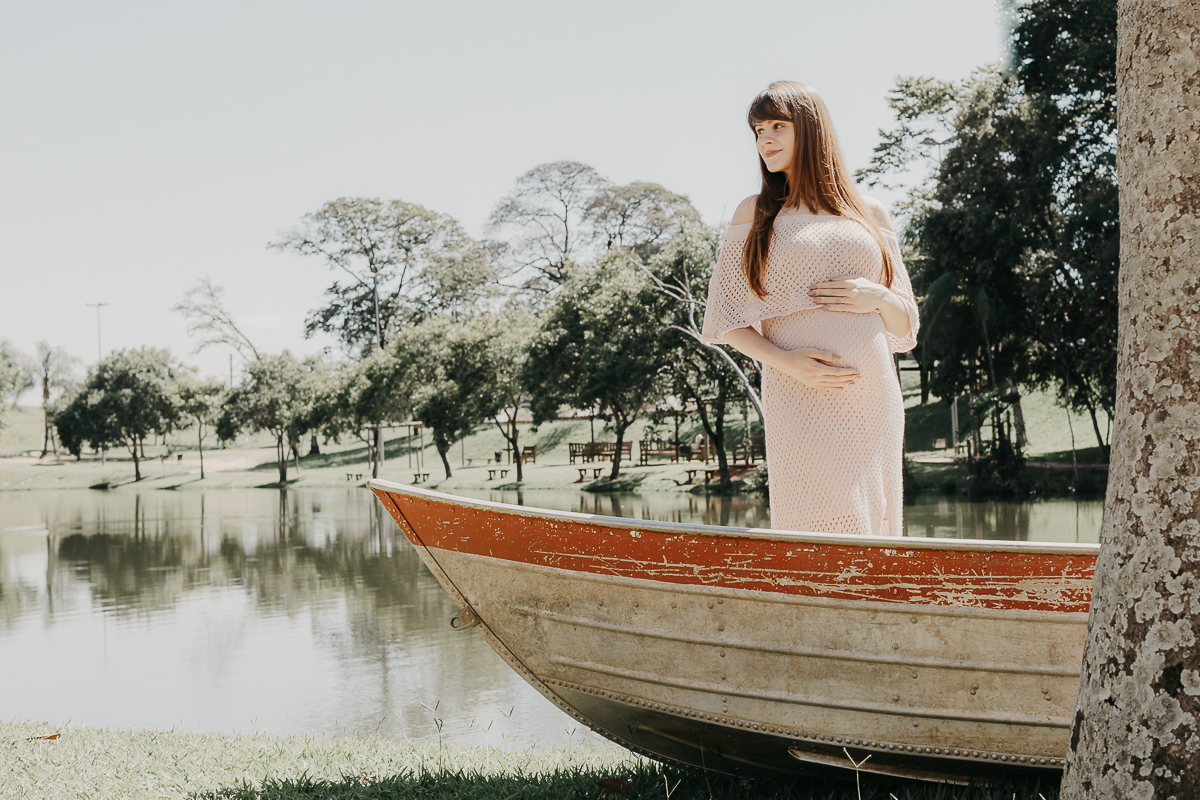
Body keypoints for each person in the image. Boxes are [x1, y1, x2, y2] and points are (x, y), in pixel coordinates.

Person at [701, 81, 919, 536]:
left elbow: (905, 325)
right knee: (814, 524)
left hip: (871, 393)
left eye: (777, 126)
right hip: (796, 391)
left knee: (875, 531)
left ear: (811, 129)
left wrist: (878, 297)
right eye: (758, 130)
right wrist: (786, 363)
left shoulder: (870, 212)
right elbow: (723, 319)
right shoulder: (755, 212)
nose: (765, 140)